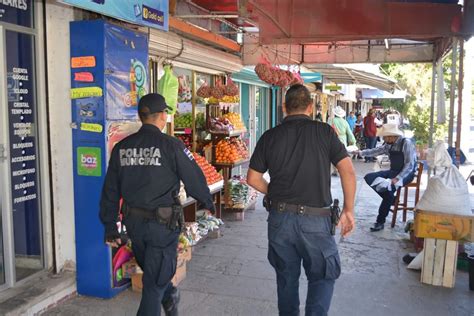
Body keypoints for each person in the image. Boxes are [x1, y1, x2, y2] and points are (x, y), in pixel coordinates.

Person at [100, 93, 215, 316]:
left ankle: (170, 294)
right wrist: (207, 201)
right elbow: (194, 177)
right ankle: (168, 295)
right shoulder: (171, 145)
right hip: (162, 227)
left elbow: (110, 190)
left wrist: (110, 227)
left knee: (155, 275)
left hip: (134, 225)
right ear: (162, 115)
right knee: (153, 285)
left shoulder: (122, 147)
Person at [246, 84, 356, 316]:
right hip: (317, 221)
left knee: (286, 280)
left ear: (284, 107)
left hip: (280, 220)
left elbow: (253, 178)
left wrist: (273, 192)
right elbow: (348, 171)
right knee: (322, 277)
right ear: (310, 107)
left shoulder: (269, 136)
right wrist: (348, 210)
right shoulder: (325, 132)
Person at [356, 124, 417, 232]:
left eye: (385, 137)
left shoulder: (405, 143)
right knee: (369, 177)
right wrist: (361, 152)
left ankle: (380, 222)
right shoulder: (389, 144)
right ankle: (391, 199)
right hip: (393, 171)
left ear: (391, 136)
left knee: (388, 190)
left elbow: (410, 165)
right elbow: (376, 151)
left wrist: (398, 178)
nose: (383, 139)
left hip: (406, 174)